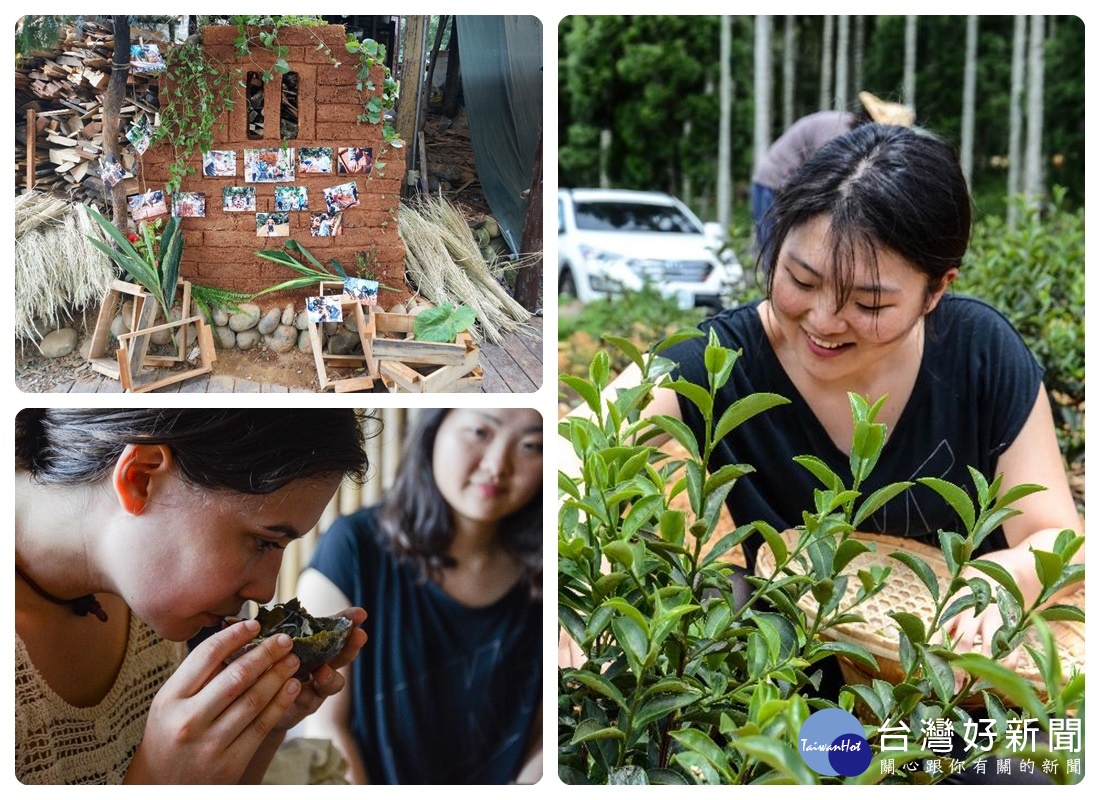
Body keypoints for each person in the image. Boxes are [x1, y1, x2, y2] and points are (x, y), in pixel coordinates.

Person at [563, 123, 1082, 672]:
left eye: (869, 304)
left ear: (937, 289)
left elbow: (1056, 536)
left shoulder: (980, 355)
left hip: (947, 685)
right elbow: (572, 448)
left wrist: (1004, 579)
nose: (824, 321)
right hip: (777, 695)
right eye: (801, 281)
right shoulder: (715, 362)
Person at [15, 409, 372, 784]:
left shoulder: (147, 594)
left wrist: (260, 725)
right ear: (141, 477)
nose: (265, 591)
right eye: (264, 542)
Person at [297, 408, 543, 784]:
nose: (497, 465)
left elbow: (547, 740)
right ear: (432, 432)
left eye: (531, 445)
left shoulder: (549, 575)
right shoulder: (351, 549)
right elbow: (327, 730)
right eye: (479, 431)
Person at [751, 91, 914, 261]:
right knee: (778, 254)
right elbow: (824, 183)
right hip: (773, 184)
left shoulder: (850, 135)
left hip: (788, 185)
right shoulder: (840, 136)